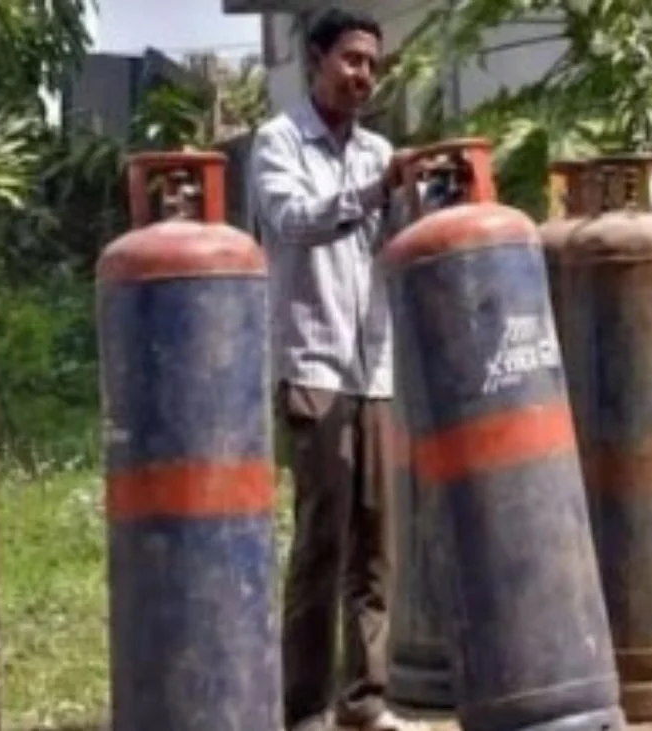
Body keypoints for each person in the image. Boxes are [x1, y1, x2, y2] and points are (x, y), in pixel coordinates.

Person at [250, 8, 426, 731]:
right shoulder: (279, 142)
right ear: (316, 59)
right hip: (313, 361)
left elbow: (396, 244)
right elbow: (293, 220)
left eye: (372, 66)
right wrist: (376, 190)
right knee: (322, 540)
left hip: (372, 365)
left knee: (375, 543)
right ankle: (306, 708)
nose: (363, 76)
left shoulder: (377, 150)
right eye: (352, 60)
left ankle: (365, 702)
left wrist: (419, 200)